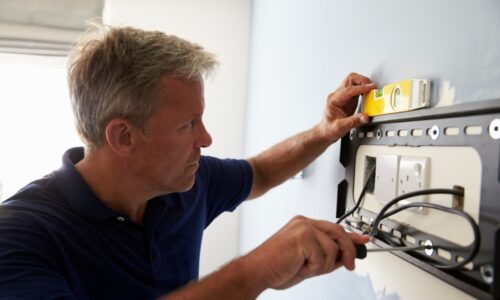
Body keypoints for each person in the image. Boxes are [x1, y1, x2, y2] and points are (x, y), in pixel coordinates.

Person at [0, 23, 374, 299]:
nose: (206, 139)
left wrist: (324, 131)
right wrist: (257, 269)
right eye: (188, 124)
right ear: (123, 136)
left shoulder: (185, 182)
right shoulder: (19, 236)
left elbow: (258, 173)